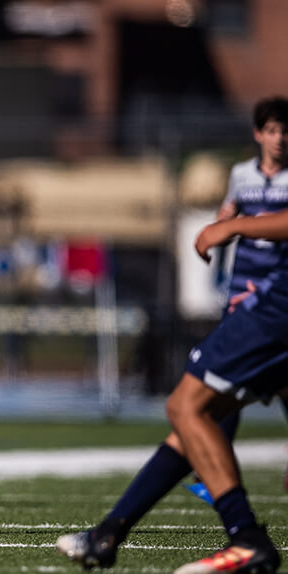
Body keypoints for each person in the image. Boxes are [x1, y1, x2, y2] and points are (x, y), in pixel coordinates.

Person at [56, 207, 288, 572]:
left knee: (188, 407)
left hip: (273, 309)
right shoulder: (245, 178)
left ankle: (247, 538)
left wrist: (233, 226)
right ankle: (109, 533)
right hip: (261, 305)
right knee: (196, 418)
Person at [185, 97, 288, 505]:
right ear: (259, 134)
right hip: (242, 290)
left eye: (286, 131)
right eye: (274, 130)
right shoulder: (241, 175)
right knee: (222, 381)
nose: (281, 139)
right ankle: (213, 471)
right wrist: (221, 272)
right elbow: (228, 221)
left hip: (278, 293)